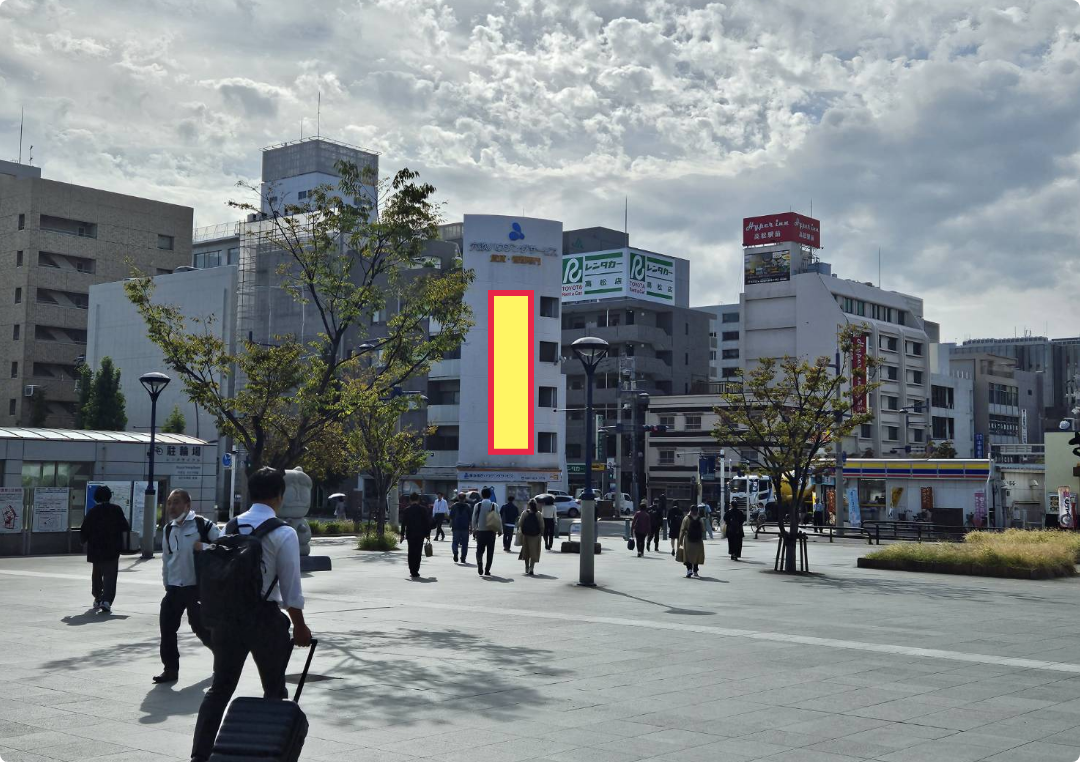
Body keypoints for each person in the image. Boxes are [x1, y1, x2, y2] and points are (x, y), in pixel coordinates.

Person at [190, 467, 312, 762]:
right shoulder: (284, 532)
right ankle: (268, 751)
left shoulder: (229, 527)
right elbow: (291, 587)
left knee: (220, 688)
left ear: (251, 493)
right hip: (264, 620)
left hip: (227, 620)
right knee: (274, 689)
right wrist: (300, 627)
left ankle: (200, 756)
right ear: (279, 496)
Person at [155, 489, 219, 684]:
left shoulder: (203, 525)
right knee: (167, 628)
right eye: (169, 503)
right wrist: (166, 582)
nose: (172, 507)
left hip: (197, 587)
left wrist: (205, 547)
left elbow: (226, 547)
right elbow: (167, 559)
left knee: (200, 627)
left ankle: (223, 658)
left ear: (187, 506)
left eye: (176, 502)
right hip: (174, 587)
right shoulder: (168, 529)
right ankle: (170, 669)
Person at [79, 485, 130, 615]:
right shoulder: (116, 510)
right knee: (110, 575)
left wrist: (83, 540)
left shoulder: (93, 511)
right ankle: (106, 600)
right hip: (112, 548)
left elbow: (85, 529)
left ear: (96, 497)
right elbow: (125, 527)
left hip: (96, 548)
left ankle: (97, 597)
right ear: (109, 496)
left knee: (97, 573)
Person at [400, 493, 431, 578]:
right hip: (420, 534)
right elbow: (427, 523)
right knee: (418, 552)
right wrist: (427, 534)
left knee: (411, 552)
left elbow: (403, 524)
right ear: (418, 499)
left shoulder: (407, 510)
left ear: (410, 500)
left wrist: (402, 534)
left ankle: (411, 569)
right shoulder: (423, 509)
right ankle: (416, 570)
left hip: (410, 534)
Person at [471, 487, 501, 576]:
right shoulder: (494, 505)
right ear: (490, 495)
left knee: (479, 550)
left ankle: (479, 563)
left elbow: (474, 518)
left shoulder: (478, 505)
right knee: (490, 551)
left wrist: (474, 529)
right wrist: (500, 530)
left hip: (480, 531)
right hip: (491, 531)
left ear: (482, 495)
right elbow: (498, 518)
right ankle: (487, 570)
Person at [517, 499, 543, 575]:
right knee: (534, 552)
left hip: (526, 535)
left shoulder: (525, 513)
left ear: (529, 505)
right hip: (535, 536)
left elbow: (520, 523)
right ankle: (532, 568)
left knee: (526, 551)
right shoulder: (539, 514)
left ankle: (526, 567)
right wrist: (541, 534)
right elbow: (542, 525)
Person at [679, 504, 706, 578]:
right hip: (698, 540)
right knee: (696, 556)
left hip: (688, 540)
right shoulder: (700, 519)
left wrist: (680, 541)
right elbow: (703, 530)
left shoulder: (686, 518)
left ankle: (689, 570)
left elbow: (682, 530)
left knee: (688, 555)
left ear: (690, 511)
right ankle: (695, 571)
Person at [449, 492, 471, 563]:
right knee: (465, 543)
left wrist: (451, 525)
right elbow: (470, 518)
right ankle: (463, 558)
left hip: (456, 527)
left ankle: (455, 552)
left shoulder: (454, 506)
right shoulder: (468, 506)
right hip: (465, 527)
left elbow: (451, 517)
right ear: (465, 498)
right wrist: (471, 527)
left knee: (455, 542)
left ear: (458, 498)